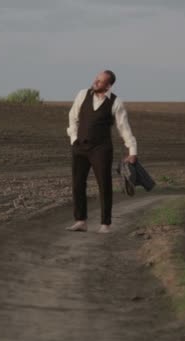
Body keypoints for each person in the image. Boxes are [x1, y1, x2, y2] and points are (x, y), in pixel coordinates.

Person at [65, 70, 138, 234]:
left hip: (101, 149)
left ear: (108, 85)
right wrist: (74, 139)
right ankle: (80, 221)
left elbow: (124, 128)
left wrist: (132, 151)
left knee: (104, 185)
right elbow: (72, 117)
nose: (95, 82)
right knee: (77, 184)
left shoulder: (115, 102)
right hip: (80, 147)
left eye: (100, 81)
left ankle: (106, 224)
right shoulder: (83, 94)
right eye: (96, 79)